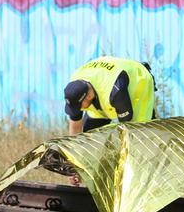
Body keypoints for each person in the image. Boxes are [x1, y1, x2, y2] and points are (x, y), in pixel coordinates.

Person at [64, 55, 156, 184]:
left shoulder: (116, 93)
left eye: (80, 106)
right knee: (89, 137)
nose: (78, 109)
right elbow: (75, 128)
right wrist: (75, 165)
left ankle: (141, 181)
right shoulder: (75, 86)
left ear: (89, 96)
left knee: (138, 138)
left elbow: (127, 131)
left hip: (138, 84)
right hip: (102, 89)